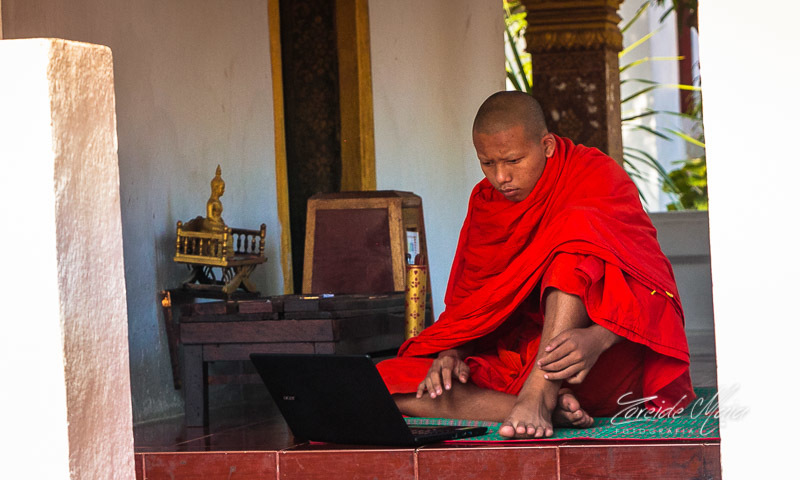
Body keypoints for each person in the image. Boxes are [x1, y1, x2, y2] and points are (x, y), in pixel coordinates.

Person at [377, 91, 694, 438]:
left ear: (547, 146)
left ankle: (540, 393)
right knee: (385, 383)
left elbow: (654, 287)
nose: (501, 177)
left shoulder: (595, 176)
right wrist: (452, 353)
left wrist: (598, 339)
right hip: (519, 356)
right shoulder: (487, 202)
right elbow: (471, 305)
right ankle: (541, 407)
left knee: (574, 235)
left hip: (592, 358)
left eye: (513, 160)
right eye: (487, 163)